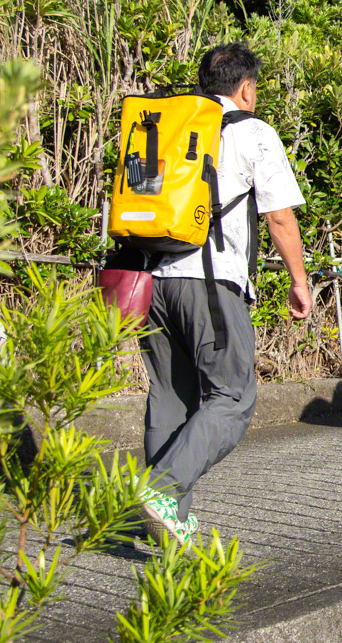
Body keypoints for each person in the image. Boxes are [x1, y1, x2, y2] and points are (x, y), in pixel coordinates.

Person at [138, 43, 312, 545]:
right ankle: (162, 489)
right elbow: (279, 216)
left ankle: (165, 520)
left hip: (153, 280)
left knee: (171, 398)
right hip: (210, 282)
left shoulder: (167, 125)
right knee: (233, 398)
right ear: (246, 88)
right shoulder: (253, 131)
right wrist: (299, 282)